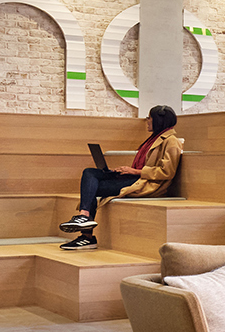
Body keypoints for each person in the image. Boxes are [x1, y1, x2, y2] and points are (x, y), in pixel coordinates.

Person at [57, 106, 185, 250]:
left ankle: (87, 235)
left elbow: (167, 172)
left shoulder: (171, 141)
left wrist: (135, 172)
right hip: (136, 177)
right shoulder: (153, 139)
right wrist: (126, 171)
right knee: (90, 173)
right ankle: (84, 218)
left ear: (159, 120)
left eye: (149, 117)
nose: (147, 120)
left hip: (146, 183)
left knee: (92, 189)